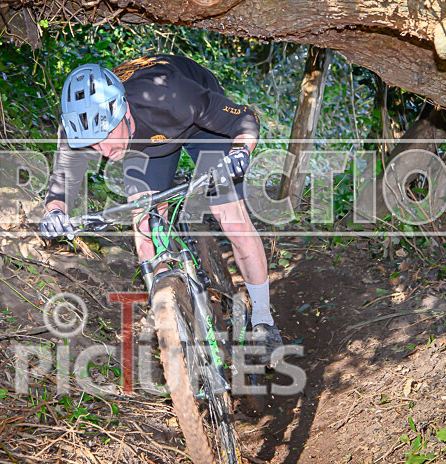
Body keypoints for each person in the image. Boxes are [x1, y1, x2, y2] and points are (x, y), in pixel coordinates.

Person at [39, 54, 282, 360]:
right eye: (92, 144)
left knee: (230, 217)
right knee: (145, 234)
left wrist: (239, 153)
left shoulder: (170, 96)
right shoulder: (80, 128)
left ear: (124, 111)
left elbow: (245, 118)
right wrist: (54, 213)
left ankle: (264, 321)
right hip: (149, 147)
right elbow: (62, 180)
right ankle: (176, 320)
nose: (102, 150)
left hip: (200, 125)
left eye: (106, 136)